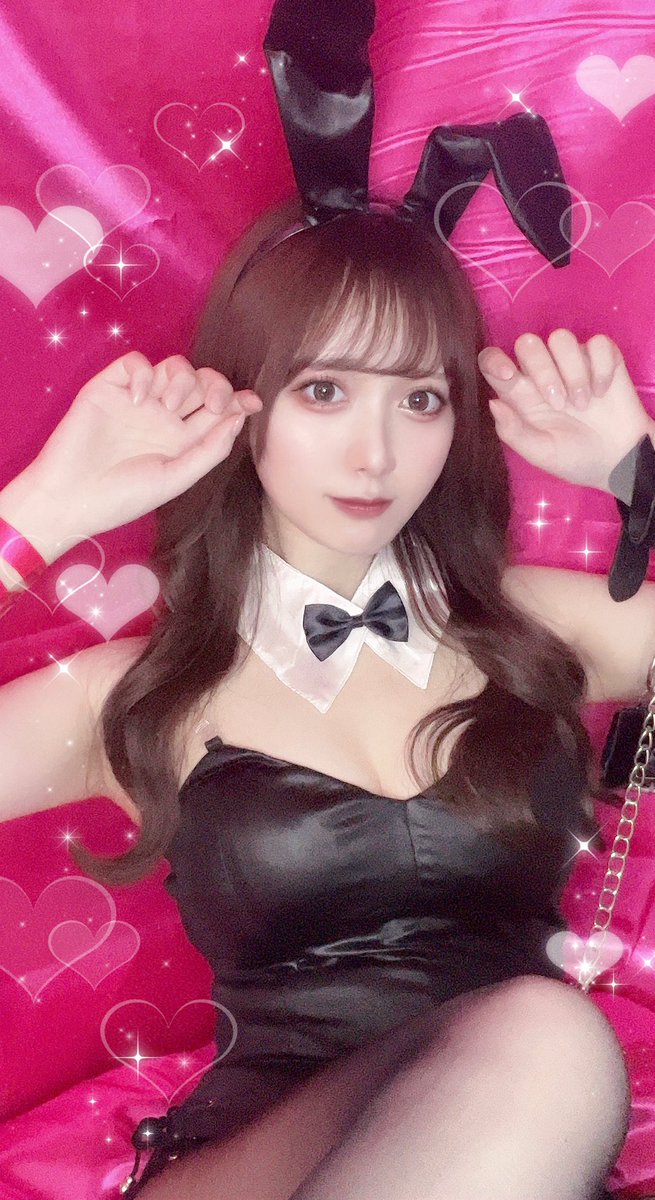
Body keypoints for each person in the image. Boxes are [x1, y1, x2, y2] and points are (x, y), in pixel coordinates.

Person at [0, 191, 643, 1199]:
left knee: (543, 1045)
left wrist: (639, 469)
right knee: (549, 1036)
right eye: (325, 391)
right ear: (242, 400)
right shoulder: (132, 696)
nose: (374, 454)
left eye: (418, 401)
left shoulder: (538, 631)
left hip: (520, 1145)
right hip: (254, 1165)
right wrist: (41, 510)